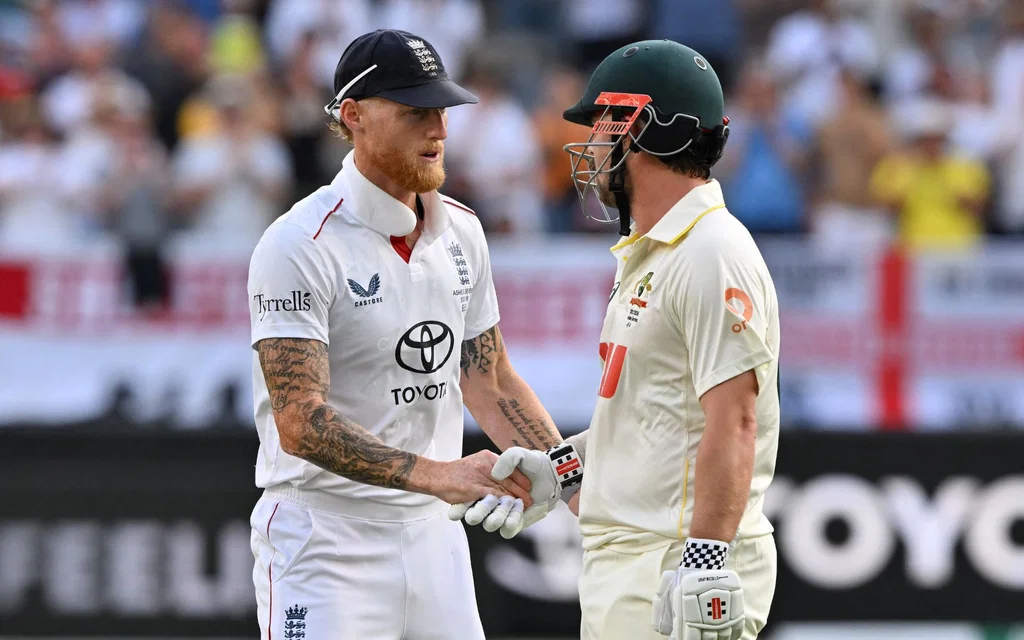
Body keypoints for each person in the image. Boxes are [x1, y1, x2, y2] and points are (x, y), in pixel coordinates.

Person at [453, 40, 781, 640]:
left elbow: (735, 421)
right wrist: (562, 468)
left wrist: (703, 561)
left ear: (644, 129)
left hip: (670, 562)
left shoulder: (712, 251)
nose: (591, 143)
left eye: (603, 123)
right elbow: (649, 420)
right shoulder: (657, 251)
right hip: (634, 562)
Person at [246, 29, 563, 639]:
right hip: (325, 539)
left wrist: (571, 481)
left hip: (434, 537)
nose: (439, 129)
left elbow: (488, 377)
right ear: (353, 116)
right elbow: (299, 420)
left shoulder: (463, 229)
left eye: (441, 110)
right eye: (416, 112)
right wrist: (443, 475)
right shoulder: (296, 244)